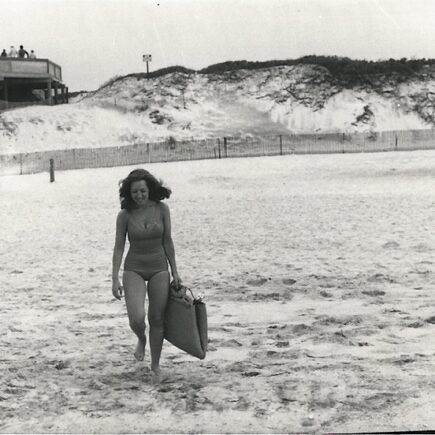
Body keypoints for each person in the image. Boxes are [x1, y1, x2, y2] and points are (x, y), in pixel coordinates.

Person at [112, 168, 181, 383]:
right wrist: (114, 278)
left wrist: (175, 271)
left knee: (157, 318)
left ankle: (155, 364)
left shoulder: (162, 209)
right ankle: (141, 338)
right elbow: (118, 247)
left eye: (142, 191)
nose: (139, 196)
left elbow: (168, 241)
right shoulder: (124, 216)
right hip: (134, 268)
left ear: (149, 189)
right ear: (128, 194)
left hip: (159, 267)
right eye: (134, 193)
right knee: (137, 318)